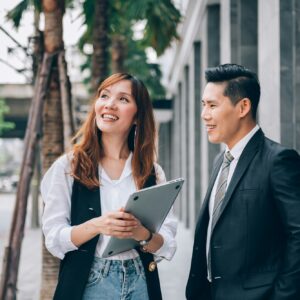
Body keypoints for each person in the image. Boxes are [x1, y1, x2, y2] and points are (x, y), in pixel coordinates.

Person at [41, 73, 177, 300]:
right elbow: (54, 239)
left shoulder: (152, 171)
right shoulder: (68, 167)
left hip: (140, 280)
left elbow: (167, 243)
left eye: (123, 99)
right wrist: (97, 225)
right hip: (89, 282)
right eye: (104, 96)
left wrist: (142, 234)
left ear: (137, 116)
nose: (110, 104)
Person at [186, 63, 300, 300]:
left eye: (213, 105)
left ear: (243, 107)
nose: (204, 114)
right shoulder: (221, 160)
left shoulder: (278, 161)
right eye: (203, 105)